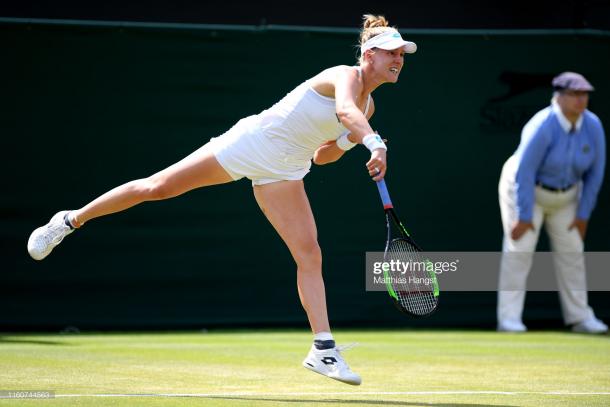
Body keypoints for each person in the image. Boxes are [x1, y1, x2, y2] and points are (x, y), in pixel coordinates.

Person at [27, 15, 418, 384]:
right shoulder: (343, 77)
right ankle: (69, 220)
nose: (399, 60)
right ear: (369, 55)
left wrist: (354, 141)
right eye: (392, 53)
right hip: (250, 144)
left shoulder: (369, 107)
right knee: (156, 188)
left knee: (309, 254)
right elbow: (345, 110)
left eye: (402, 55)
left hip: (286, 171)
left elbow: (322, 155)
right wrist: (371, 141)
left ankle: (323, 348)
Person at [497, 72, 607, 334]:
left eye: (585, 95)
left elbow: (596, 172)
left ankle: (580, 318)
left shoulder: (593, 125)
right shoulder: (542, 125)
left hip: (567, 197)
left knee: (572, 253)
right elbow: (525, 172)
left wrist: (583, 214)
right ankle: (509, 320)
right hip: (524, 192)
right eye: (575, 94)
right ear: (559, 97)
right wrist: (523, 216)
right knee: (519, 250)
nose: (581, 100)